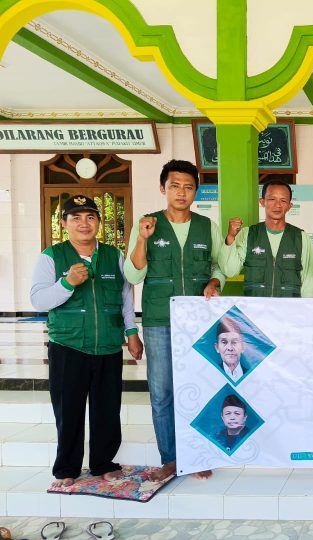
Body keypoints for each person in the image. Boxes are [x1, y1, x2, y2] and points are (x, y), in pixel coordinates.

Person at [31, 195, 143, 488]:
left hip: (107, 345)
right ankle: (66, 468)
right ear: (64, 223)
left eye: (90, 217)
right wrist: (67, 283)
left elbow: (125, 298)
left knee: (107, 409)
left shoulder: (113, 256)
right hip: (67, 345)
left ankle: (104, 463)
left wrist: (132, 333)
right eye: (76, 217)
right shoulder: (51, 256)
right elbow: (38, 300)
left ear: (98, 223)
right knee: (68, 410)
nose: (84, 223)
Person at [125, 159, 226, 482]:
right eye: (175, 186)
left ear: (196, 191)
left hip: (198, 320)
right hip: (159, 319)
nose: (181, 192)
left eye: (188, 187)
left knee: (199, 387)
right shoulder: (147, 224)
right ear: (163, 188)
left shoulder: (206, 226)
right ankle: (170, 458)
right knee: (162, 391)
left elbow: (219, 266)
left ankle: (197, 455)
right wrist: (142, 239)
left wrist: (214, 282)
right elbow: (133, 274)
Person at [221, 179, 313, 297]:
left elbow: (309, 282)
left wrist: (307, 307)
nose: (278, 205)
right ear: (262, 202)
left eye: (283, 200)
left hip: (288, 307)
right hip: (255, 307)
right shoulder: (248, 234)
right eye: (272, 199)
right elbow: (230, 271)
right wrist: (231, 237)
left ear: (289, 206)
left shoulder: (301, 237)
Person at [214, 317, 248, 382]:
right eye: (224, 342)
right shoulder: (211, 374)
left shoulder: (252, 375)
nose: (230, 348)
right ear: (217, 347)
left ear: (243, 347)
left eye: (234, 342)